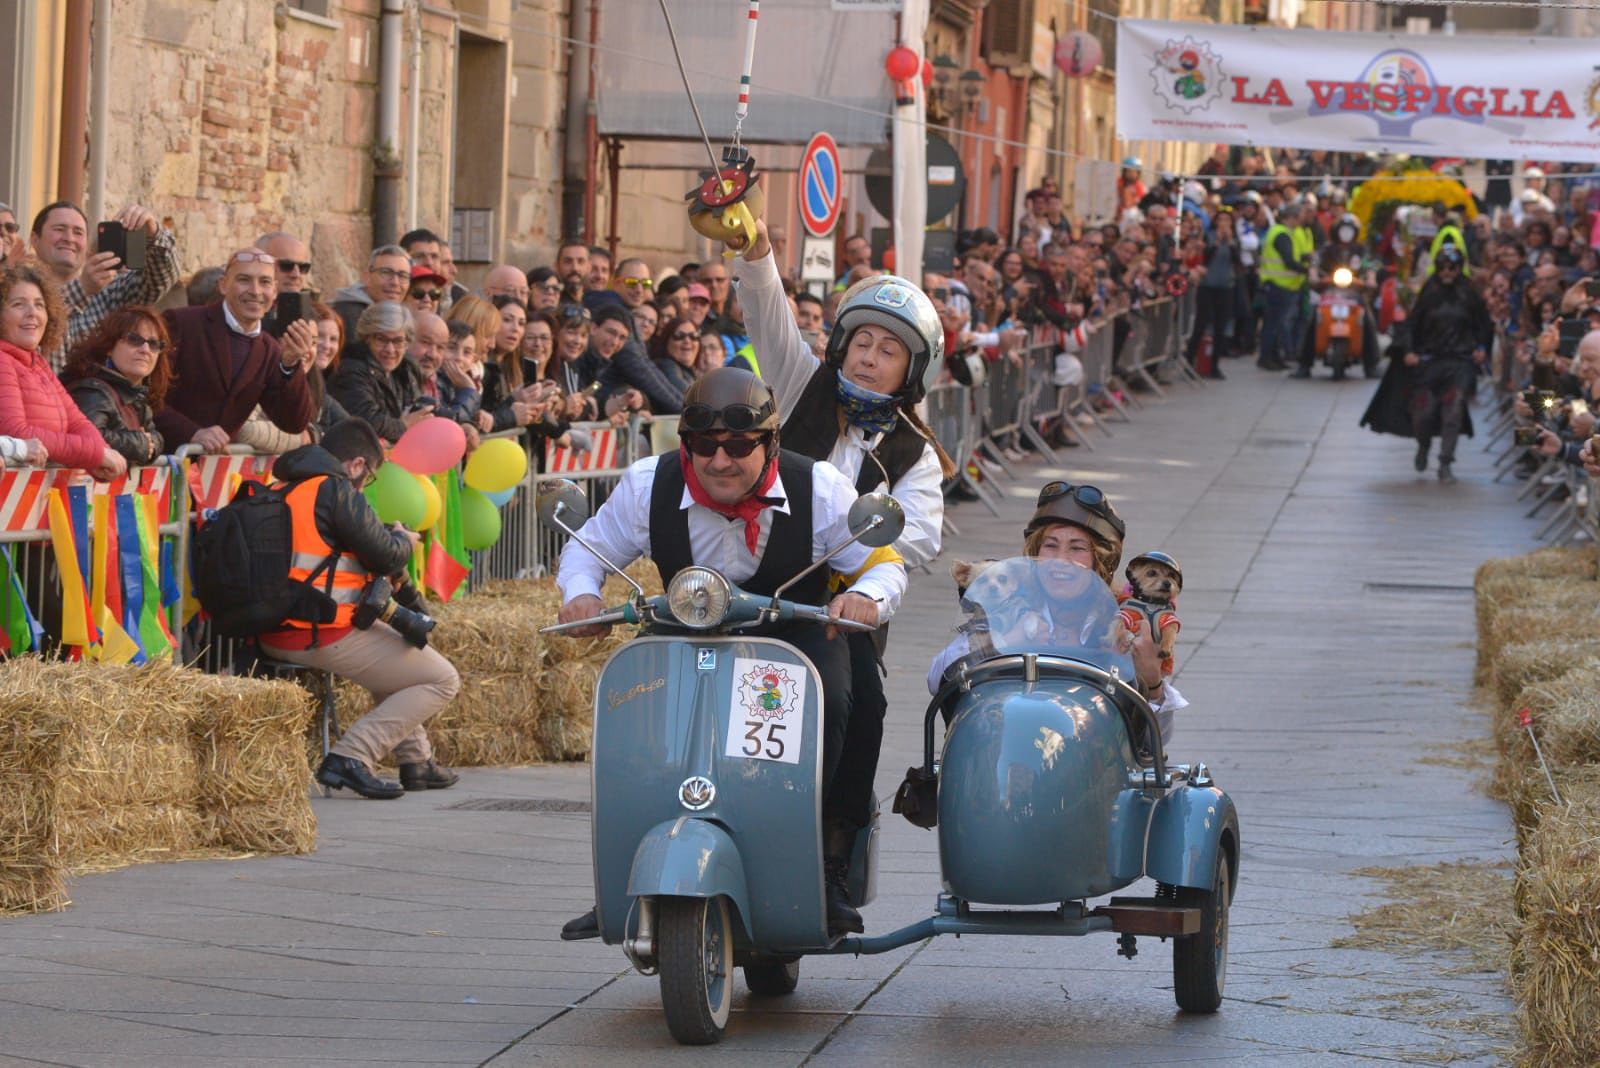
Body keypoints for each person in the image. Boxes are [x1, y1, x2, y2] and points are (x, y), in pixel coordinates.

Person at [555, 367, 907, 940]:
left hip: (793, 632)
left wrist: (866, 598)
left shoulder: (818, 487)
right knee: (631, 716)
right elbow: (586, 548)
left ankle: (827, 861)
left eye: (739, 446)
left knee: (852, 698)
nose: (720, 461)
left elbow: (882, 562)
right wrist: (582, 594)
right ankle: (622, 873)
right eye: (704, 446)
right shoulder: (648, 483)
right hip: (682, 628)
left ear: (770, 443)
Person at [733, 212, 955, 921]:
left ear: (911, 370)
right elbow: (766, 311)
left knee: (860, 707)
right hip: (741, 588)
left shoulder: (917, 456)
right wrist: (755, 245)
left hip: (829, 615)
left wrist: (864, 600)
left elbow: (913, 541)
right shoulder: (800, 384)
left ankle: (827, 863)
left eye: (887, 349)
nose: (867, 356)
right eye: (860, 340)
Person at [259, 417, 461, 798]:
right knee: (442, 679)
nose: (364, 488)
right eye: (368, 478)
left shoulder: (286, 485)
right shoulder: (335, 491)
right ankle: (351, 756)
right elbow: (386, 555)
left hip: (274, 626)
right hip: (316, 630)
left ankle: (415, 760)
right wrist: (403, 540)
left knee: (398, 659)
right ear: (356, 466)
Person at [927, 483, 1187, 741]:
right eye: (1050, 545)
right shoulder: (1012, 607)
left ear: (1101, 559)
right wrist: (1005, 641)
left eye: (1077, 548)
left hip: (1093, 760)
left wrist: (1152, 680)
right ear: (1034, 552)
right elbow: (938, 676)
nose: (1061, 560)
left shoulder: (1121, 621)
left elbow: (1155, 742)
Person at [157, 249, 318, 454]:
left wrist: (290, 366)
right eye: (244, 280)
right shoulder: (181, 323)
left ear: (275, 292)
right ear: (223, 285)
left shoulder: (270, 350)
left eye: (265, 282)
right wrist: (192, 433)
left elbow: (293, 423)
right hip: (161, 468)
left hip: (217, 476)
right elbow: (146, 397)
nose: (255, 291)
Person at [1360, 245, 1491, 484]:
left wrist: (1481, 348)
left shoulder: (1469, 294)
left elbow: (1483, 325)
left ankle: (1445, 463)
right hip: (1430, 361)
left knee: (1453, 410)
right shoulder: (1429, 292)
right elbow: (1412, 324)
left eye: (1452, 268)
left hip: (1459, 361)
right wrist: (1409, 351)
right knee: (1424, 412)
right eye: (1443, 267)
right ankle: (1424, 444)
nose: (1448, 272)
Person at [0, 264, 124, 477]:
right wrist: (95, 454)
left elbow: (76, 421)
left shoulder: (38, 364)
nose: (32, 313)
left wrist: (102, 453)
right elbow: (17, 434)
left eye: (39, 305)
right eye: (18, 304)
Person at [30, 201, 182, 369]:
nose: (69, 238)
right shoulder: (17, 288)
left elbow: (158, 282)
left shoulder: (109, 291)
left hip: (99, 394)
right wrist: (82, 289)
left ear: (87, 247)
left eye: (78, 232)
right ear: (35, 240)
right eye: (59, 229)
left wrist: (154, 233)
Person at [60, 305, 171, 465]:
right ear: (109, 347)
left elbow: (154, 437)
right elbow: (87, 440)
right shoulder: (92, 392)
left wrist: (150, 443)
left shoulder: (136, 395)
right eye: (134, 339)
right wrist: (139, 444)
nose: (145, 349)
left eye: (154, 344)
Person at [328, 301, 428, 444]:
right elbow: (366, 421)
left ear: (407, 343)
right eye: (381, 339)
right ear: (366, 338)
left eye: (398, 341)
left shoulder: (407, 368)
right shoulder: (350, 370)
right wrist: (404, 426)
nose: (390, 349)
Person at [591, 304, 683, 415]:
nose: (645, 324)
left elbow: (594, 389)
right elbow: (593, 390)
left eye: (652, 322)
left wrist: (638, 402)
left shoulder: (638, 349)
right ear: (594, 329)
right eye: (640, 317)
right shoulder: (623, 350)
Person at [1262, 201, 1311, 375]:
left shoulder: (1284, 233)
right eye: (1300, 218)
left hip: (1283, 285)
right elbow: (1288, 261)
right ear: (1292, 218)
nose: (1301, 222)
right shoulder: (1281, 234)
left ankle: (1275, 357)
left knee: (1276, 323)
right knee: (1274, 324)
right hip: (1278, 285)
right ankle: (1267, 357)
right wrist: (1307, 270)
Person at [330, 245, 412, 341]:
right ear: (366, 277)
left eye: (403, 276)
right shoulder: (347, 316)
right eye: (386, 272)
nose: (395, 282)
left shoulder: (403, 316)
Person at [649, 315, 701, 393]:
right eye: (679, 336)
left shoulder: (690, 372)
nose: (687, 341)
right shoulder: (666, 365)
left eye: (693, 336)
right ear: (666, 342)